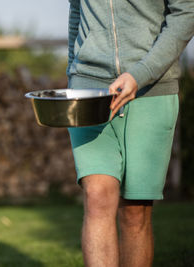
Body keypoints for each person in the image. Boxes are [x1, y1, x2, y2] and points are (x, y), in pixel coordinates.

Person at [66, 0, 194, 266]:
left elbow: (186, 12)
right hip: (90, 91)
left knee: (135, 211)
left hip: (152, 89)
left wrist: (140, 74)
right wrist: (73, 75)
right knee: (97, 197)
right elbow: (77, 11)